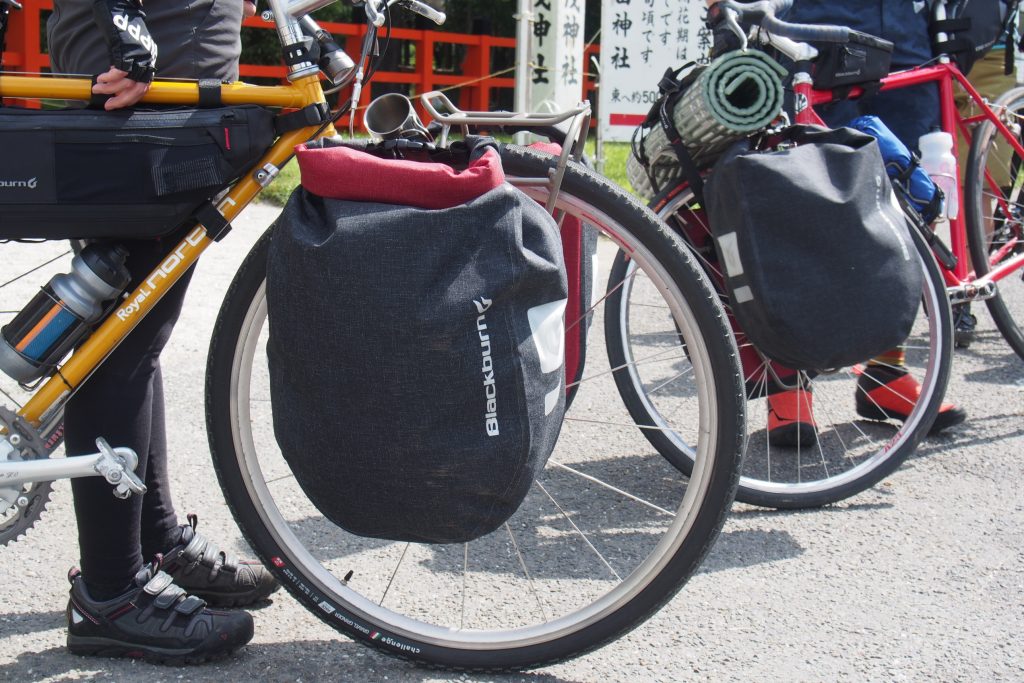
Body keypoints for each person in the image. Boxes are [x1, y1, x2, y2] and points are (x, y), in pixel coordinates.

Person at [46, 0, 277, 664]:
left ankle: (153, 541)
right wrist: (125, 26)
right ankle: (112, 592)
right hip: (142, 71)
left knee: (137, 334)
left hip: (167, 65)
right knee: (122, 339)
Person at [705, 0, 968, 446]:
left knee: (903, 186)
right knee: (798, 192)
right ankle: (788, 383)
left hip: (905, 25)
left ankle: (886, 371)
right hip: (811, 19)